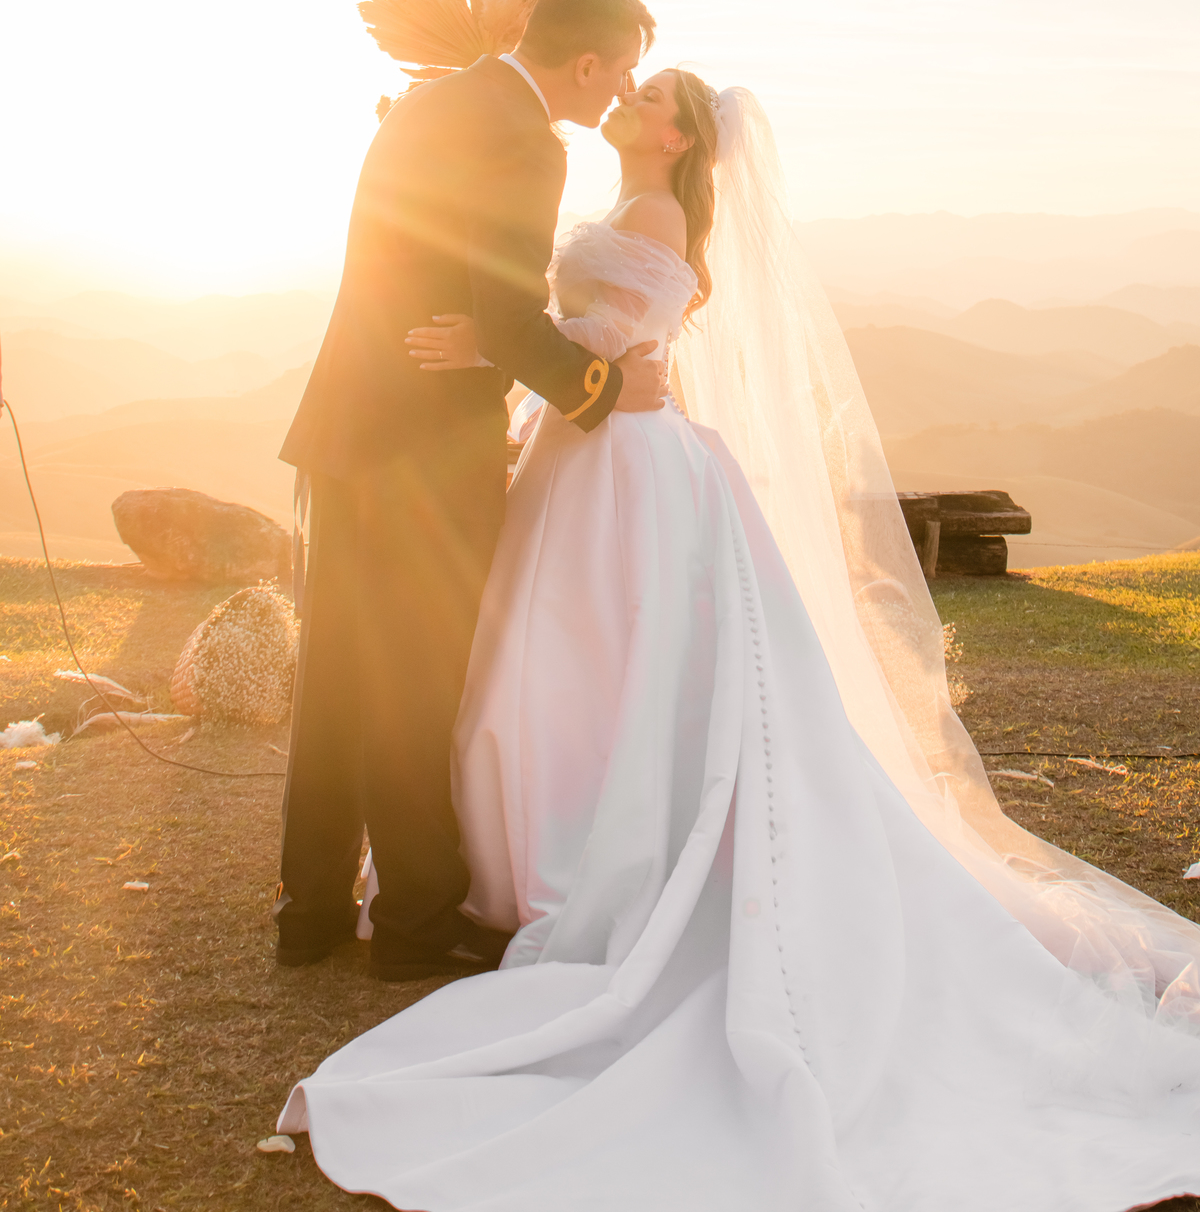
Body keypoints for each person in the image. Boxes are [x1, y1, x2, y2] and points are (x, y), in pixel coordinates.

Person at [281, 72, 1200, 1211]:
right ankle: (521, 855)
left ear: (675, 136)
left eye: (647, 93)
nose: (625, 95)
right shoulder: (618, 200)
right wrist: (513, 337)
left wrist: (504, 342)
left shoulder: (656, 214)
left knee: (600, 666)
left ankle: (589, 854)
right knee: (550, 671)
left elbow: (623, 343)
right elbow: (583, 343)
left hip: (624, 464)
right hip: (580, 453)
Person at [275, 0, 667, 979]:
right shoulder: (527, 141)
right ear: (584, 62)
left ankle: (308, 912)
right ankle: (411, 927)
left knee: (338, 674)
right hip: (427, 446)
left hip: (349, 418)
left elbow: (415, 259)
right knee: (417, 680)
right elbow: (501, 309)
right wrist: (599, 384)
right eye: (620, 70)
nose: (621, 91)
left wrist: (471, 336)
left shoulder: (435, 99)